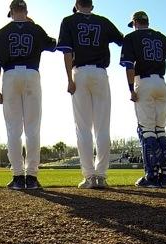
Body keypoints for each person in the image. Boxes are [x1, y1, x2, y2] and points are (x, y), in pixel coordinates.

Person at [0, 0, 56, 190]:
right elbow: (53, 45)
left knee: (13, 130)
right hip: (31, 73)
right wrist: (32, 26)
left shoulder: (1, 32)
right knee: (32, 128)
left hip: (9, 76)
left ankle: (18, 176)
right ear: (26, 11)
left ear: (11, 12)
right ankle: (32, 176)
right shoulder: (36, 29)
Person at [57, 0, 123, 189]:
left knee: (83, 128)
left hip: (80, 73)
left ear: (76, 4)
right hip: (101, 73)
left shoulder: (68, 20)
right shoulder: (103, 21)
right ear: (92, 6)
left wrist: (69, 79)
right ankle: (101, 176)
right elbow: (122, 41)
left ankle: (89, 177)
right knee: (102, 127)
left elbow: (67, 52)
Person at [120, 11, 166, 188]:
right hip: (161, 82)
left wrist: (131, 89)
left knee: (147, 130)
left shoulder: (131, 37)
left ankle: (151, 176)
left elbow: (129, 66)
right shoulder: (159, 36)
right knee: (160, 129)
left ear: (135, 22)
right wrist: (157, 56)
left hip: (143, 81)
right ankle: (164, 176)